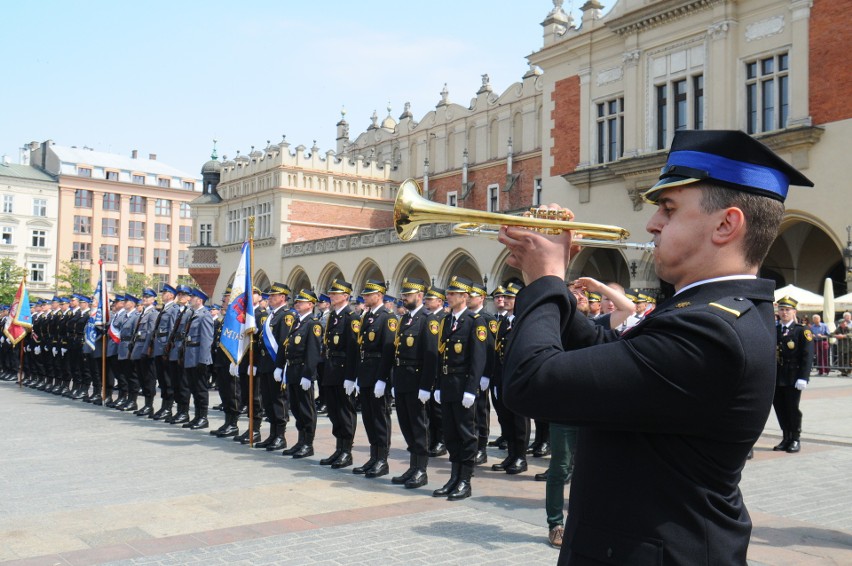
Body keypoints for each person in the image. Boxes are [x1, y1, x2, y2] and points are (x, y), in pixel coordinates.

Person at [498, 129, 814, 564]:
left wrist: (547, 279)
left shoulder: (712, 330)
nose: (652, 223)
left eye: (668, 209)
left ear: (726, 224)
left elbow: (531, 383)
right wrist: (549, 280)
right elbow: (607, 347)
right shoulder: (706, 310)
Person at [431, 275, 487, 501]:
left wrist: (471, 389)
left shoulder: (475, 322)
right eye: (449, 293)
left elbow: (478, 358)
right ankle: (454, 477)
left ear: (465, 297)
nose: (448, 296)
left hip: (463, 385)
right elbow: (439, 355)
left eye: (453, 293)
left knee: (466, 434)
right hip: (446, 385)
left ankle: (465, 479)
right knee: (451, 432)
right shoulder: (446, 321)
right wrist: (436, 384)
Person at [391, 276, 438, 489]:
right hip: (402, 379)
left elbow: (431, 356)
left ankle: (421, 470)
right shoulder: (406, 319)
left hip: (417, 380)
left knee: (419, 426)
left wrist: (426, 386)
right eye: (403, 295)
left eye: (408, 295)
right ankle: (412, 466)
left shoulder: (428, 320)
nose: (404, 298)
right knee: (406, 425)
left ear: (420, 296)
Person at [353, 280, 396, 478]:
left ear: (379, 295)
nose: (365, 297)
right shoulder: (368, 316)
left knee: (380, 418)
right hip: (366, 373)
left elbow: (388, 350)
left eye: (369, 294)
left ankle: (382, 460)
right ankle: (373, 456)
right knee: (369, 418)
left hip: (378, 373)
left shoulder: (387, 318)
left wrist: (383, 378)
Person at [319, 279, 360, 469]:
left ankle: (347, 451)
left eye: (335, 293)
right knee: (334, 411)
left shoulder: (351, 317)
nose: (331, 296)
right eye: (331, 293)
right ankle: (339, 447)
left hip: (343, 369)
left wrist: (351, 376)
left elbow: (353, 349)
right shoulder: (332, 317)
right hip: (331, 368)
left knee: (345, 411)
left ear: (345, 296)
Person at [282, 289, 323, 458]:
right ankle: (300, 441)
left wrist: (308, 374)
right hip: (293, 369)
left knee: (306, 409)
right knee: (297, 408)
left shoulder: (313, 324)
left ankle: (308, 443)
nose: (297, 304)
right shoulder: (298, 322)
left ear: (311, 305)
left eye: (301, 302)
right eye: (297, 302)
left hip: (303, 371)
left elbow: (313, 352)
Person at [774, 296, 813, 453]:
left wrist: (804, 377)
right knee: (780, 408)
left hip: (793, 376)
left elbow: (807, 356)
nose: (784, 313)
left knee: (792, 408)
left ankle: (795, 438)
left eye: (787, 310)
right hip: (777, 376)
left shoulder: (802, 331)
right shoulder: (774, 329)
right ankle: (786, 437)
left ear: (794, 312)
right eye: (782, 309)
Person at [181, 288, 215, 429]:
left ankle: (203, 417)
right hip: (190, 356)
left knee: (201, 389)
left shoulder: (204, 315)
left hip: (198, 358)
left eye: (193, 297)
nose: (190, 299)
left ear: (199, 300)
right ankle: (197, 416)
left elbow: (207, 339)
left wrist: (203, 360)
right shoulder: (192, 314)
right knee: (194, 388)